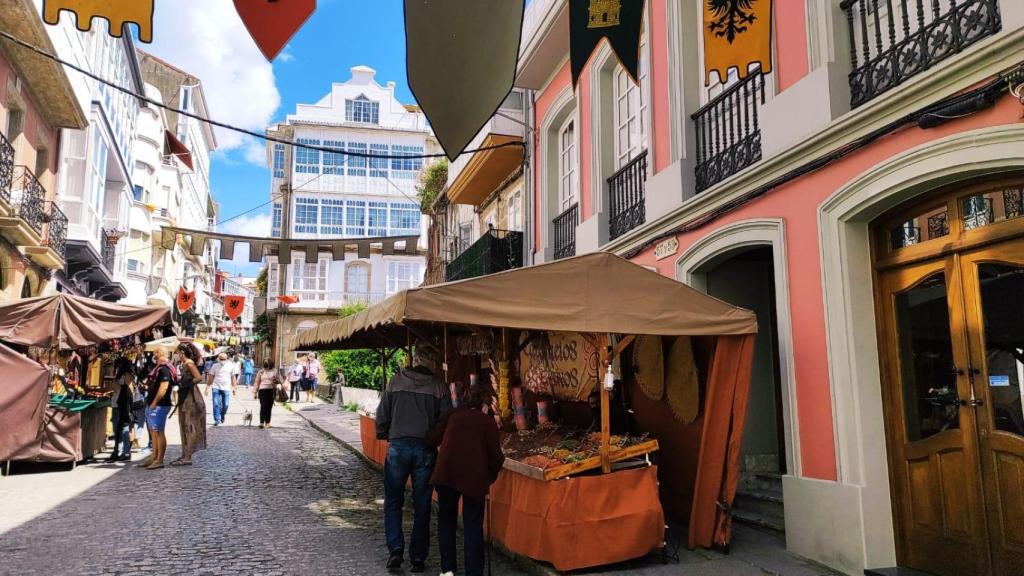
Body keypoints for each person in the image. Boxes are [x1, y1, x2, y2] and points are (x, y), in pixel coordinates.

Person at [375, 348, 452, 573]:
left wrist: (383, 432)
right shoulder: (439, 386)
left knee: (393, 501)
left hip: (398, 447)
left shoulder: (395, 381)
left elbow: (382, 414)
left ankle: (396, 549)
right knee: (422, 504)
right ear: (432, 364)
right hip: (424, 450)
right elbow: (445, 420)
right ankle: (418, 557)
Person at [427, 382, 505, 576]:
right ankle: (473, 572)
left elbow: (432, 438)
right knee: (472, 525)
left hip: (446, 474)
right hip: (473, 478)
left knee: (446, 522)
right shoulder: (486, 422)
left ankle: (448, 569)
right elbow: (497, 457)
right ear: (485, 405)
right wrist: (489, 477)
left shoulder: (453, 415)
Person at [172, 344, 207, 466]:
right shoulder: (184, 364)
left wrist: (185, 383)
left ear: (182, 352)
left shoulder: (189, 363)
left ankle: (187, 457)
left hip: (191, 397)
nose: (177, 355)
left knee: (188, 425)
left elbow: (198, 377)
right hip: (185, 396)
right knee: (183, 425)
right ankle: (184, 454)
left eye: (178, 352)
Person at [143, 349, 176, 470]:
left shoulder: (164, 369)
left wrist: (155, 402)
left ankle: (159, 459)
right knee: (154, 431)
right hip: (154, 404)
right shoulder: (159, 369)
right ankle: (154, 457)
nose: (154, 358)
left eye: (155, 356)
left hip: (160, 405)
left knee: (159, 431)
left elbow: (163, 388)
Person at [107, 358, 135, 462]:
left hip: (123, 406)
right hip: (116, 404)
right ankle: (117, 451)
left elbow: (130, 391)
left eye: (117, 365)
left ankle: (126, 452)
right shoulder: (120, 375)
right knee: (118, 430)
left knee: (123, 429)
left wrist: (129, 407)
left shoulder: (127, 375)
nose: (116, 367)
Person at [205, 352, 238, 426]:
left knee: (225, 405)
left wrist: (234, 388)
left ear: (227, 359)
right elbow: (211, 377)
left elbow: (233, 378)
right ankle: (217, 419)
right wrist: (207, 387)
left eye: (224, 359)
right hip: (216, 387)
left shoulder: (231, 366)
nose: (222, 360)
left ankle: (222, 414)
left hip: (226, 388)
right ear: (218, 359)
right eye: (221, 359)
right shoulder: (214, 366)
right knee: (216, 404)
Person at [253, 359, 282, 428]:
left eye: (267, 364)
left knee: (269, 407)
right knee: (263, 406)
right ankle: (261, 422)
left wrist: (277, 380)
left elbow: (280, 380)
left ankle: (268, 423)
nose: (266, 366)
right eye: (265, 364)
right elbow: (257, 382)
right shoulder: (261, 372)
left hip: (271, 390)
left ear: (271, 364)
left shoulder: (274, 371)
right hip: (262, 391)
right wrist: (255, 392)